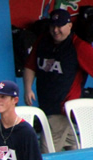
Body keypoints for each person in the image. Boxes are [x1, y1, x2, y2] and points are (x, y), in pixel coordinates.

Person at [23, 8, 93, 152]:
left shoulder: (79, 46)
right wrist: (28, 88)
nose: (55, 30)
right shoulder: (43, 41)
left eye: (60, 26)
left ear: (69, 26)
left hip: (62, 109)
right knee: (73, 151)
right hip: (46, 107)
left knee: (47, 154)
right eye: (53, 26)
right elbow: (30, 66)